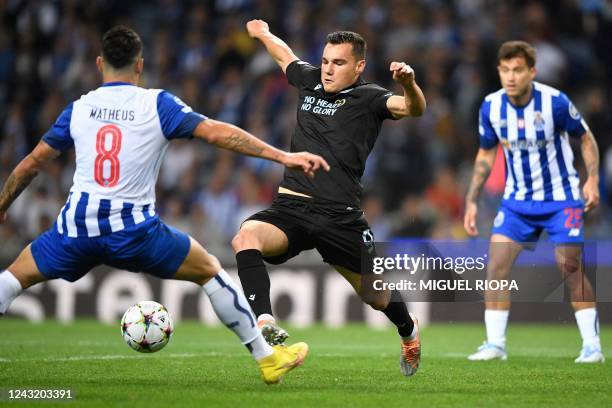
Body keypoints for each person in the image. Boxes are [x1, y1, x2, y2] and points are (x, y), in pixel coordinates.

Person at [0, 26, 331, 384]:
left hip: (75, 231)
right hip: (135, 233)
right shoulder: (157, 104)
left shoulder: (79, 109)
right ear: (140, 65)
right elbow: (217, 133)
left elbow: (32, 163)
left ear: (99, 64)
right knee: (210, 271)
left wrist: (3, 204)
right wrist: (283, 156)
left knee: (10, 280)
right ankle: (267, 359)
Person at [231, 20, 426, 377]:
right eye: (325, 61)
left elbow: (413, 109)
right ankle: (264, 325)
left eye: (338, 62)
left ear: (359, 66)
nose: (328, 68)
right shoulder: (311, 82)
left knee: (374, 295)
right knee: (246, 237)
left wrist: (409, 84)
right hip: (291, 207)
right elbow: (283, 55)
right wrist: (262, 33)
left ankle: (409, 331)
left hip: (341, 215)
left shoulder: (371, 98)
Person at [464, 41, 604, 363]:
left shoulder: (555, 102)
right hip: (517, 202)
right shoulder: (490, 107)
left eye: (517, 70)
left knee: (569, 266)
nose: (511, 77)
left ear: (532, 72)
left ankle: (592, 346)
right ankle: (495, 345)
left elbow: (584, 137)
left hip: (561, 198)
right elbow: (486, 153)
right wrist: (472, 199)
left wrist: (592, 178)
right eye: (505, 70)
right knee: (496, 266)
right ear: (498, 71)